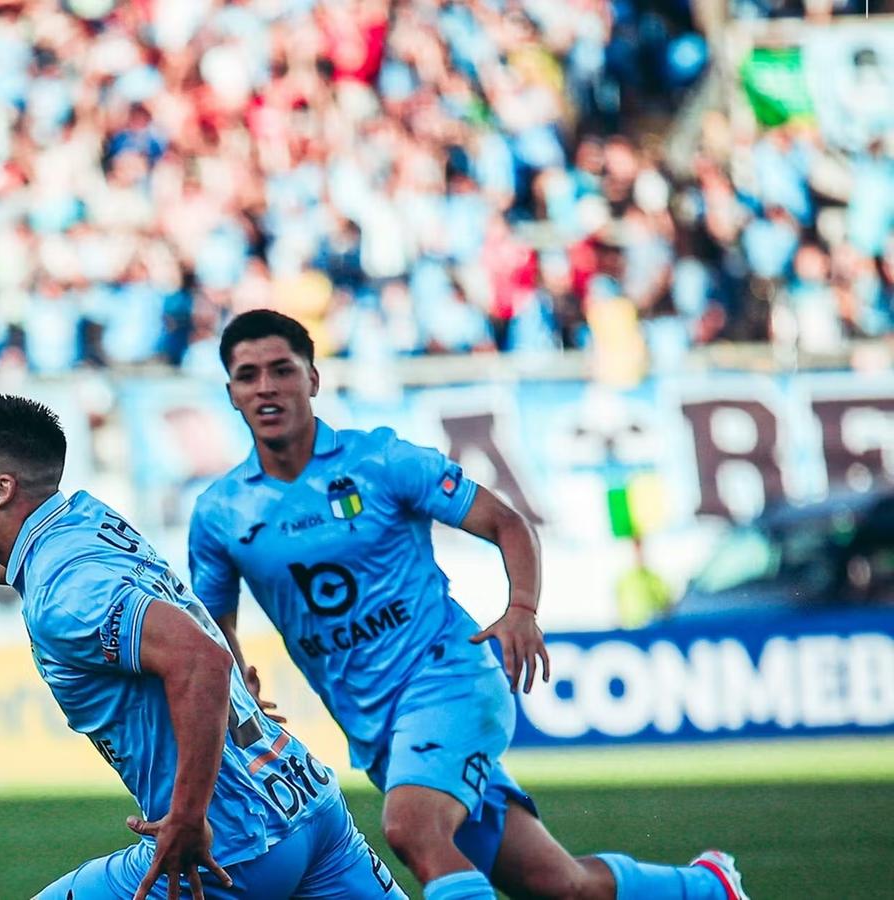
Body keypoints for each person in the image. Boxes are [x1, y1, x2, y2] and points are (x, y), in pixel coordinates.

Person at [186, 309, 749, 900]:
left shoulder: (380, 461)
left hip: (450, 678)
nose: (267, 386)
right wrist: (236, 675)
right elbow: (213, 621)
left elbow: (507, 522)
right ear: (232, 393)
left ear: (314, 379)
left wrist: (522, 609)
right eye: (249, 376)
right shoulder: (221, 512)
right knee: (559, 886)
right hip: (377, 727)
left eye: (283, 370)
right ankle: (707, 888)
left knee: (413, 828)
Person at [0, 394, 407, 900]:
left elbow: (201, 660)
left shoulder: (64, 594)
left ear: (1, 488)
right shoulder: (81, 521)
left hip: (230, 847)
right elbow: (19, 561)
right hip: (310, 807)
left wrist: (187, 816)